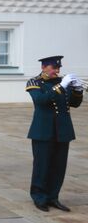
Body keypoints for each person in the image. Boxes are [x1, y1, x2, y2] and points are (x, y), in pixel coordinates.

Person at [26, 56, 83, 212]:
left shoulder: (62, 81)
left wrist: (77, 90)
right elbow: (41, 101)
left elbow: (74, 103)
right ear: (44, 67)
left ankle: (53, 197)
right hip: (43, 131)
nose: (57, 71)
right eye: (54, 68)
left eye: (58, 68)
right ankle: (39, 197)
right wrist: (61, 86)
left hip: (62, 131)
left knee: (59, 167)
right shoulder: (34, 82)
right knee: (42, 166)